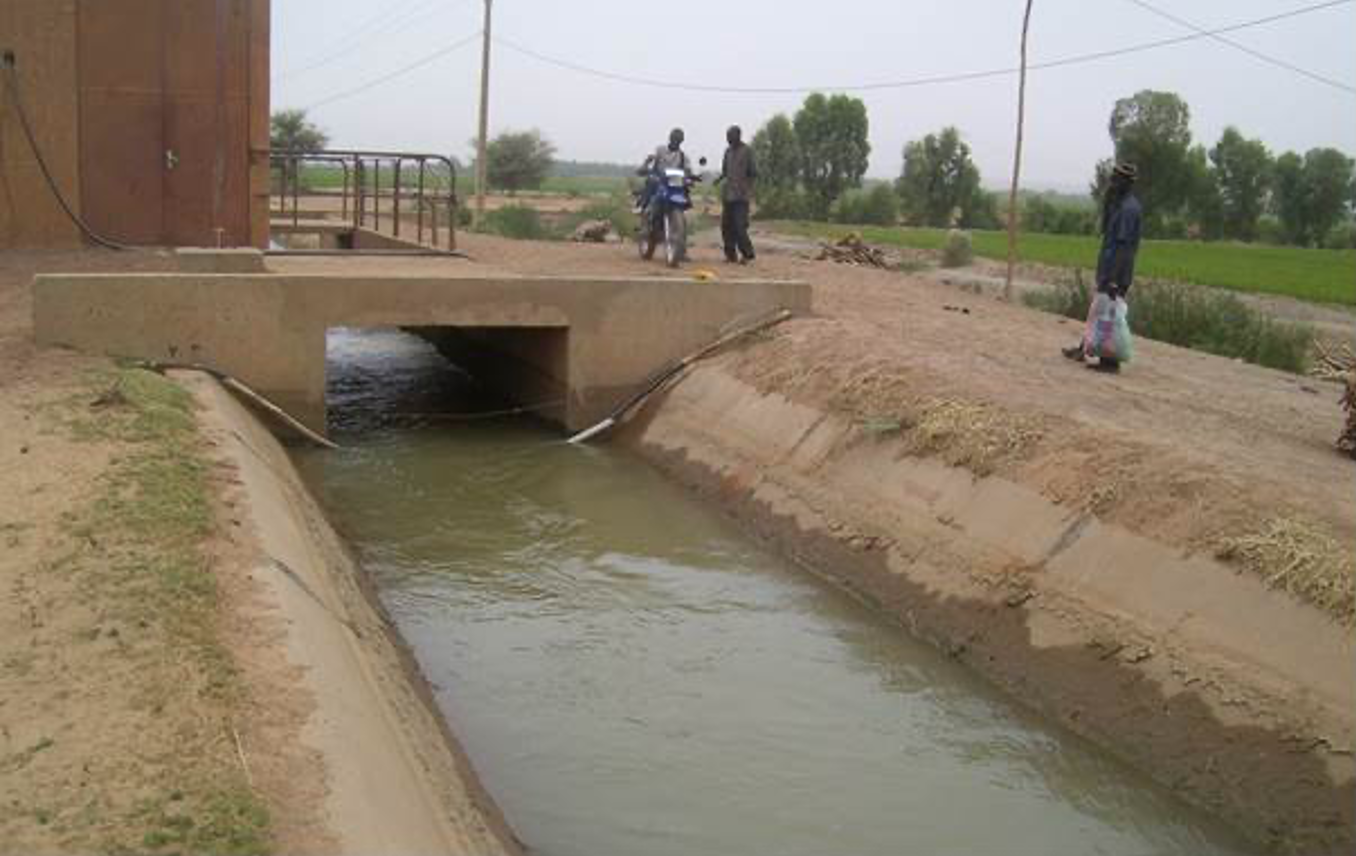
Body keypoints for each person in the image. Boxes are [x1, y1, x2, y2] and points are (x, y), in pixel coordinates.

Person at [1064, 162, 1142, 373]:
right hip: (1110, 267)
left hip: (1117, 271)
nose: (1112, 182)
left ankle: (1110, 361)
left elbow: (1123, 247)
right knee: (1098, 310)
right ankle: (1084, 348)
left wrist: (1114, 280)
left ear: (1126, 183)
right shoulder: (1119, 203)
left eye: (1117, 179)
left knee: (1108, 314)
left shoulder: (1128, 209)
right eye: (1113, 178)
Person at [717, 125, 757, 264]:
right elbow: (725, 171)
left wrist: (749, 189)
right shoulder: (727, 152)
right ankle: (730, 255)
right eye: (727, 136)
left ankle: (747, 254)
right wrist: (718, 180)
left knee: (740, 226)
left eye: (730, 135)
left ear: (738, 135)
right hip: (728, 195)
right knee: (726, 226)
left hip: (741, 196)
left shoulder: (747, 151)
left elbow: (753, 173)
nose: (728, 138)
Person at [636, 128, 693, 211]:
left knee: (685, 191)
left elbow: (688, 170)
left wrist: (690, 178)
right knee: (651, 183)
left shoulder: (683, 156)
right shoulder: (660, 150)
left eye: (678, 140)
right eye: (674, 139)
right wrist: (646, 164)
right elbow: (651, 158)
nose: (675, 142)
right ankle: (642, 206)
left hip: (674, 183)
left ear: (681, 141)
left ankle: (682, 217)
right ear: (670, 138)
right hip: (659, 180)